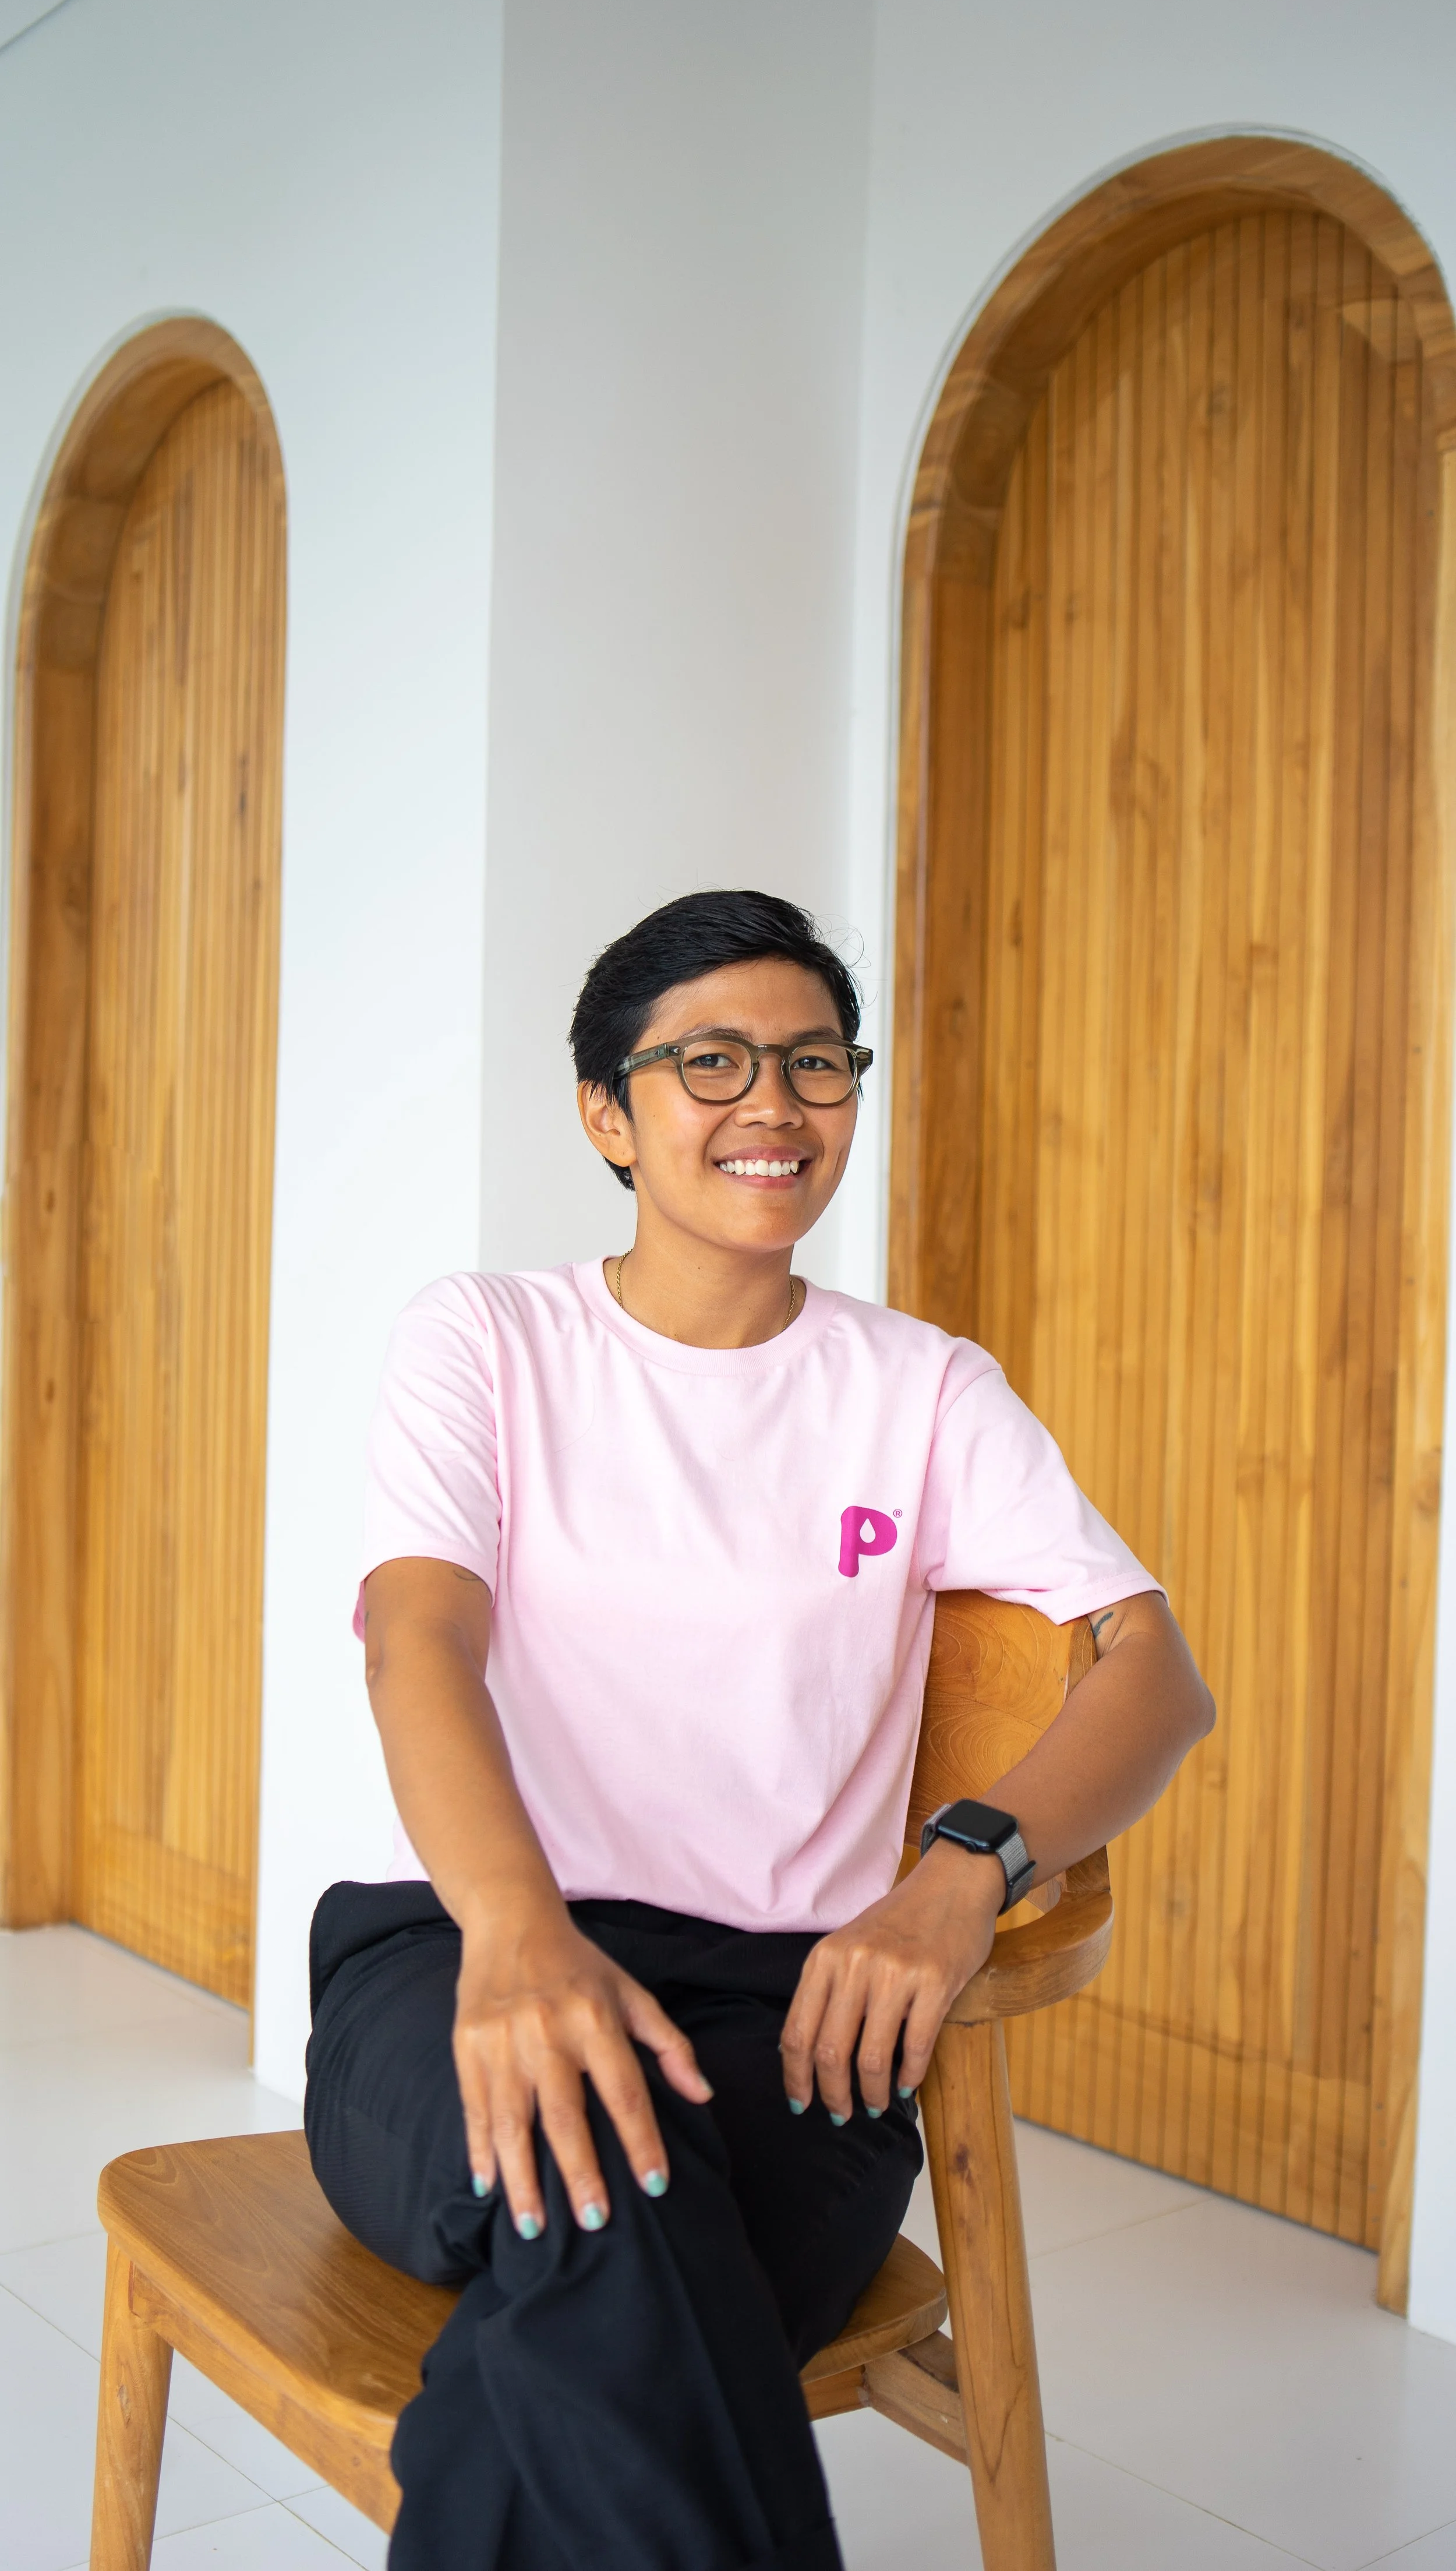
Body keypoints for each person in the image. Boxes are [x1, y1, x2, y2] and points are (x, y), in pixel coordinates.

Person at [304, 888, 1213, 2570]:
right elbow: (415, 1637)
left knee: (584, 2293)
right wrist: (519, 1937)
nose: (773, 1106)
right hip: (453, 1954)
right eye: (709, 1060)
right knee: (611, 2180)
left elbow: (1152, 1676)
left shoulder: (922, 1391)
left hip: (792, 2014)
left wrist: (961, 1870)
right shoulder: (488, 1340)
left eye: (814, 1062)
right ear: (607, 1112)